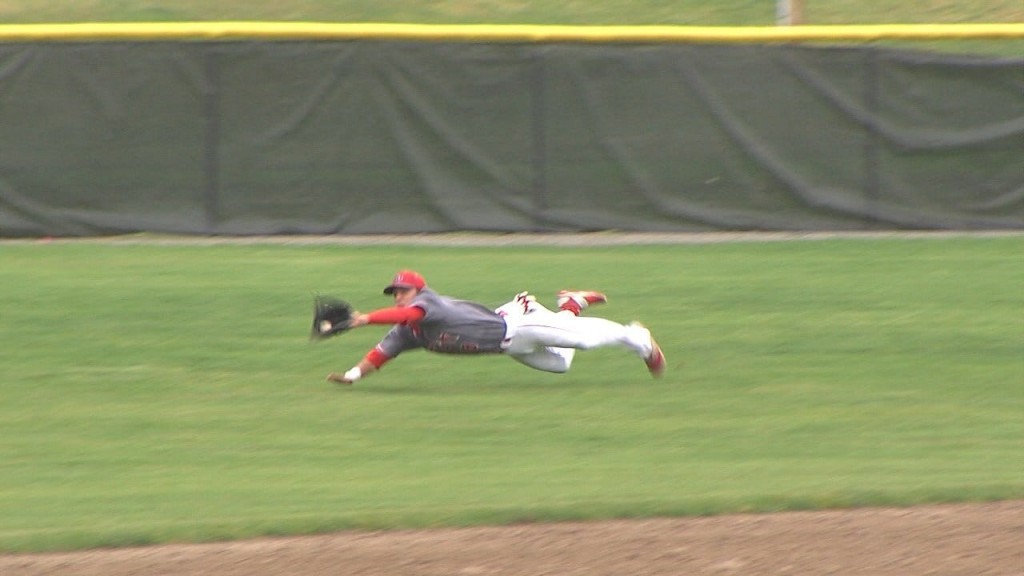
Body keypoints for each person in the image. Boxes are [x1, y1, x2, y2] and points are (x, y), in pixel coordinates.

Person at [326, 270, 666, 385]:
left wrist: (365, 318)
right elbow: (380, 354)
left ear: (418, 290)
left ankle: (638, 338)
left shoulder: (427, 304)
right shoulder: (404, 331)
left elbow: (412, 315)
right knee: (560, 364)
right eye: (394, 292)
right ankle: (573, 304)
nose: (398, 295)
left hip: (520, 325)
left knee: (585, 343)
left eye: (402, 290)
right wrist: (352, 377)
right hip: (509, 345)